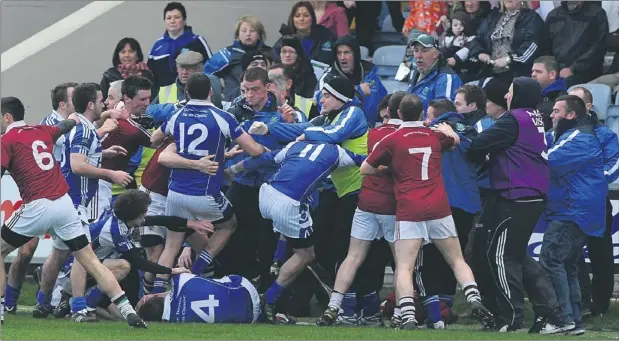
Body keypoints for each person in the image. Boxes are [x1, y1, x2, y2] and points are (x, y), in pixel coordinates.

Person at [0, 96, 146, 328]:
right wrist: (74, 119)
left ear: (7, 117)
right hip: (65, 204)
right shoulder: (41, 130)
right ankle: (128, 311)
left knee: (1, 251)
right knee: (90, 260)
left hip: (38, 204)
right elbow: (64, 126)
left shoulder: (6, 139)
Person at [359, 93, 492, 330]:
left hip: (409, 208)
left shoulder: (393, 138)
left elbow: (365, 169)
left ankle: (408, 314)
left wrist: (391, 168)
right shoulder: (433, 135)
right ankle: (474, 298)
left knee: (405, 265)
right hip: (439, 206)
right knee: (456, 259)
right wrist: (450, 131)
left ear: (399, 114)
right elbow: (456, 140)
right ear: (421, 113)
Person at [149, 73, 267, 292]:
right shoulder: (222, 117)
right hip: (205, 193)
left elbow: (154, 139)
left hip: (175, 192)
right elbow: (254, 150)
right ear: (211, 93)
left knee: (172, 245)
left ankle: (155, 295)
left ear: (186, 92)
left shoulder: (178, 114)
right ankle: (196, 271)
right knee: (228, 225)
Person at [226, 140, 366, 323]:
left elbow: (262, 159)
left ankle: (276, 263)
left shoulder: (295, 146)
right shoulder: (337, 152)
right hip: (290, 202)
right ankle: (268, 299)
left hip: (267, 194)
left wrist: (231, 170)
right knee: (306, 254)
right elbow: (367, 162)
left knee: (291, 228)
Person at [467, 77, 560, 332]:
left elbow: (478, 144)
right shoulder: (535, 116)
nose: (506, 96)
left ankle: (510, 318)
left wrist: (461, 141)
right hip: (531, 194)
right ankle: (550, 314)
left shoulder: (513, 118)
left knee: (500, 256)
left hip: (516, 195)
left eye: (509, 92)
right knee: (517, 256)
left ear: (519, 94)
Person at [317, 91, 406, 327]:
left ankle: (335, 307)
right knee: (401, 262)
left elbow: (366, 165)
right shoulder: (405, 135)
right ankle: (399, 314)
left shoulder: (373, 133)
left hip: (365, 201)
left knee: (353, 257)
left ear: (387, 112)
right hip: (392, 206)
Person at [76, 189, 216, 315]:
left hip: (97, 265)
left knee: (119, 318)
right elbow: (141, 263)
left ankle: (93, 303)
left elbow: (163, 220)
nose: (146, 214)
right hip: (81, 270)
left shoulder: (124, 219)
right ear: (136, 215)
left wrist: (190, 223)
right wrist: (172, 270)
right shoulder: (114, 231)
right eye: (145, 211)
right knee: (124, 266)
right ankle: (88, 306)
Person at [540, 95, 608, 336]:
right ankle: (573, 320)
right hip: (574, 209)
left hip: (573, 210)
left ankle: (561, 318)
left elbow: (546, 160)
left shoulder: (580, 138)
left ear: (571, 115)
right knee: (566, 265)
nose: (551, 114)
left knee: (550, 259)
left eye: (557, 111)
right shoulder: (570, 135)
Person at [569, 87, 619, 318]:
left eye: (576, 100)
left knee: (600, 254)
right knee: (570, 253)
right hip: (566, 201)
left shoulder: (605, 134)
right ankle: (579, 300)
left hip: (596, 201)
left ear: (588, 106)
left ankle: (599, 305)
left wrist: (592, 183)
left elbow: (614, 165)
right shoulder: (560, 131)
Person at [317, 35, 387, 127]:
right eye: (339, 53)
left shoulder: (370, 74)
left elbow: (383, 101)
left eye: (346, 52)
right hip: (339, 133)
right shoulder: (328, 78)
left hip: (368, 132)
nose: (342, 57)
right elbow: (323, 106)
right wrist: (358, 91)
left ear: (355, 54)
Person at [136, 273, 261, 323]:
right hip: (245, 289)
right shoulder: (181, 281)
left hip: (248, 319)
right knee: (206, 283)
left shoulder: (174, 321)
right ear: (154, 297)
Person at [204, 15, 272, 102]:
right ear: (237, 34)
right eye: (244, 31)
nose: (248, 34)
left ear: (259, 34)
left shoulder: (268, 54)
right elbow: (206, 74)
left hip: (263, 103)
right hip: (233, 103)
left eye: (252, 31)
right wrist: (218, 93)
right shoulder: (227, 54)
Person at [540, 1, 609, 86]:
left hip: (586, 73)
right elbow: (545, 47)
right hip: (555, 71)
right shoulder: (554, 15)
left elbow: (599, 47)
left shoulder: (597, 13)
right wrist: (553, 68)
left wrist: (573, 69)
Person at [147, 2, 212, 87]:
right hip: (165, 98)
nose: (172, 21)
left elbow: (210, 68)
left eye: (177, 17)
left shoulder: (197, 41)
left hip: (192, 93)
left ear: (184, 21)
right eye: (168, 18)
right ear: (164, 21)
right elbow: (150, 76)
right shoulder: (157, 46)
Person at [406, 34, 461, 118]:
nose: (418, 56)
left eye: (424, 51)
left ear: (436, 54)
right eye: (416, 50)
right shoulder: (415, 72)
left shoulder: (447, 78)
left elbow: (446, 115)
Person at [273, 1, 335, 66]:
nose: (301, 19)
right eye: (297, 16)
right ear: (292, 19)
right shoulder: (285, 40)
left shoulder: (326, 36)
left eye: (306, 15)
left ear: (312, 18)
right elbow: (275, 57)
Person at [531, 56, 567, 131]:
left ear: (552, 74)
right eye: (533, 71)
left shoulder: (562, 99)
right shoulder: (529, 93)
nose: (533, 74)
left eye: (538, 71)